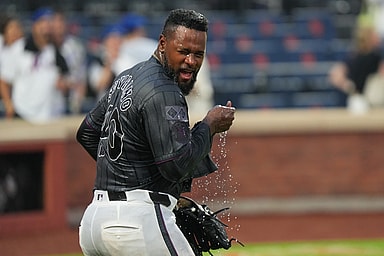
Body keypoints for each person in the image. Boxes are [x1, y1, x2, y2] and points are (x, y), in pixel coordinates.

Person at [76, 8, 235, 256]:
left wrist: (127, 175)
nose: (191, 61)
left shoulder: (126, 77)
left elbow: (86, 132)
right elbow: (176, 165)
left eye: (198, 54)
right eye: (183, 51)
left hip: (94, 222)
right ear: (163, 43)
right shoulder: (165, 88)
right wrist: (210, 124)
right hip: (138, 221)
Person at [0, 7, 69, 123]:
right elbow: (4, 79)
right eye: (42, 22)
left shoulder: (58, 51)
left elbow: (67, 80)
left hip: (51, 116)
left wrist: (64, 84)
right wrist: (8, 105)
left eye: (49, 23)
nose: (46, 27)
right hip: (24, 114)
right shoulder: (19, 48)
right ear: (34, 26)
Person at [328, 25, 383, 112]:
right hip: (361, 100)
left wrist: (349, 87)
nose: (378, 38)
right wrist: (350, 87)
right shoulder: (373, 57)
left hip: (363, 99)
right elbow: (336, 75)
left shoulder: (354, 56)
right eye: (375, 36)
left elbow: (335, 75)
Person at [51, 8, 87, 114]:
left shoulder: (75, 46)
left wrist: (77, 104)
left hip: (70, 99)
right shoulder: (43, 47)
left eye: (61, 21)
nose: (58, 26)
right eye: (54, 21)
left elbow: (81, 78)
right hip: (47, 100)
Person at [88, 23, 124, 100]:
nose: (116, 42)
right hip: (106, 106)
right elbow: (98, 86)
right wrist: (108, 64)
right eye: (113, 39)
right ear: (105, 41)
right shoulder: (99, 60)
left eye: (118, 38)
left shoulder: (126, 59)